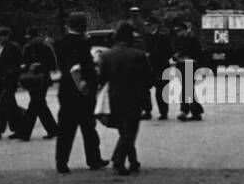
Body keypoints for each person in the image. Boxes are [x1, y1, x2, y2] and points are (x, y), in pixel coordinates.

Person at [53, 13, 108, 173]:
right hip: (82, 90)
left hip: (66, 89)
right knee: (88, 127)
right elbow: (77, 68)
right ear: (83, 26)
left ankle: (61, 161)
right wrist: (84, 84)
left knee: (65, 128)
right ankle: (93, 159)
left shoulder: (60, 42)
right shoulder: (83, 43)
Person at [96, 21, 150, 175]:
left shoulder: (107, 55)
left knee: (124, 131)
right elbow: (147, 79)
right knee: (130, 132)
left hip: (114, 97)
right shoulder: (138, 55)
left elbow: (102, 78)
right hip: (134, 98)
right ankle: (118, 160)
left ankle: (133, 161)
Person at [17, 28, 58, 140]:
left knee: (35, 105)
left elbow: (52, 65)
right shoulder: (32, 48)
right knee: (40, 105)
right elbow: (23, 63)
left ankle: (25, 132)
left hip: (39, 79)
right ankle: (53, 129)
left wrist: (38, 65)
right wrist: (29, 66)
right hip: (36, 79)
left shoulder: (42, 47)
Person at [143, 18, 174, 120]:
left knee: (161, 91)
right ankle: (147, 111)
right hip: (149, 67)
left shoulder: (163, 37)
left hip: (161, 67)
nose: (147, 27)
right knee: (145, 90)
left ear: (155, 25)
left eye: (149, 25)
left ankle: (163, 112)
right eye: (147, 25)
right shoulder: (146, 37)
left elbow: (170, 51)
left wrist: (159, 56)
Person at [174, 21, 204, 120]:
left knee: (186, 89)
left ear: (184, 30)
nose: (177, 32)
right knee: (188, 89)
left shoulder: (192, 39)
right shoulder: (178, 39)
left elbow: (198, 53)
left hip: (190, 64)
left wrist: (185, 55)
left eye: (179, 30)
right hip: (181, 65)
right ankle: (196, 112)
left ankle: (184, 111)